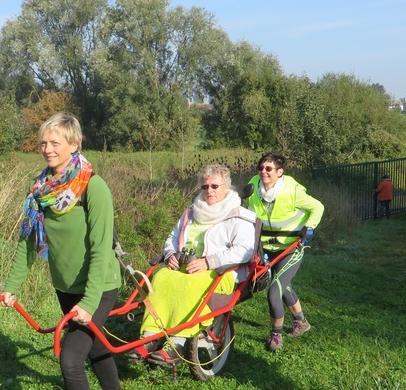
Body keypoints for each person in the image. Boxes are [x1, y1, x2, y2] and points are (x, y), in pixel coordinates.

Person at [0, 113, 126, 390]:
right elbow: (29, 242)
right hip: (65, 287)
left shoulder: (92, 186)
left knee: (70, 358)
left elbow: (102, 248)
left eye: (56, 142)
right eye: (43, 142)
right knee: (95, 344)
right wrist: (11, 288)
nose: (47, 149)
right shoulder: (40, 189)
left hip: (98, 287)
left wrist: (88, 302)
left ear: (74, 144)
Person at [126, 165, 256, 365]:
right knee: (161, 277)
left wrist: (209, 262)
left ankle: (177, 342)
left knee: (191, 285)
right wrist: (170, 254)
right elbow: (173, 237)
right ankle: (150, 336)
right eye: (205, 186)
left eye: (215, 186)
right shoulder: (191, 211)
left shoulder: (240, 216)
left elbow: (245, 250)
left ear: (226, 187)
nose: (209, 191)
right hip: (186, 266)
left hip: (221, 271)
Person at [245, 152, 324, 352]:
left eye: (269, 169)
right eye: (261, 168)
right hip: (265, 249)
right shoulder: (253, 186)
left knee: (274, 292)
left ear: (280, 172)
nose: (263, 172)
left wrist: (310, 228)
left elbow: (318, 207)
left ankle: (276, 335)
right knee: (282, 285)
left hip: (291, 247)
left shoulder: (292, 191)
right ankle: (301, 322)